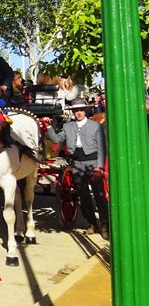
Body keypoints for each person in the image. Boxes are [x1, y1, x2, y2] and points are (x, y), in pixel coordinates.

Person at [46, 98, 109, 240]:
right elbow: (56, 139)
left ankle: (105, 224)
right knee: (84, 196)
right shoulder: (69, 127)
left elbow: (101, 148)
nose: (78, 113)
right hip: (76, 163)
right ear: (73, 112)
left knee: (99, 194)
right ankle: (91, 223)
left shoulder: (95, 126)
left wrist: (99, 167)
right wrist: (49, 127)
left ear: (85, 111)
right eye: (76, 110)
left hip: (92, 162)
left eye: (81, 110)